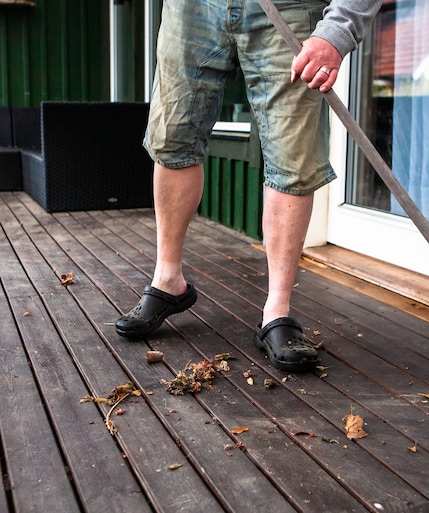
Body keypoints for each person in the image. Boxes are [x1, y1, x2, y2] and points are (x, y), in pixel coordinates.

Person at [115, 0, 382, 372]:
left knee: (293, 158)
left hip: (290, 7)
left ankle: (277, 310)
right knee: (172, 139)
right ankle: (168, 279)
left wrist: (337, 30)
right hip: (192, 8)